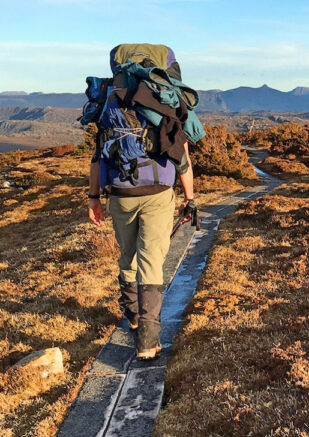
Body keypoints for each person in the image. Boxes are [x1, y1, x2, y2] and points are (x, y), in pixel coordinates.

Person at [85, 44, 200, 360]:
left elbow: (98, 156)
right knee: (151, 260)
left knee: (128, 255)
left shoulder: (112, 102)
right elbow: (183, 159)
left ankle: (133, 316)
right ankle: (148, 340)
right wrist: (190, 199)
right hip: (158, 194)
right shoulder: (163, 103)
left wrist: (94, 198)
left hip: (120, 194)